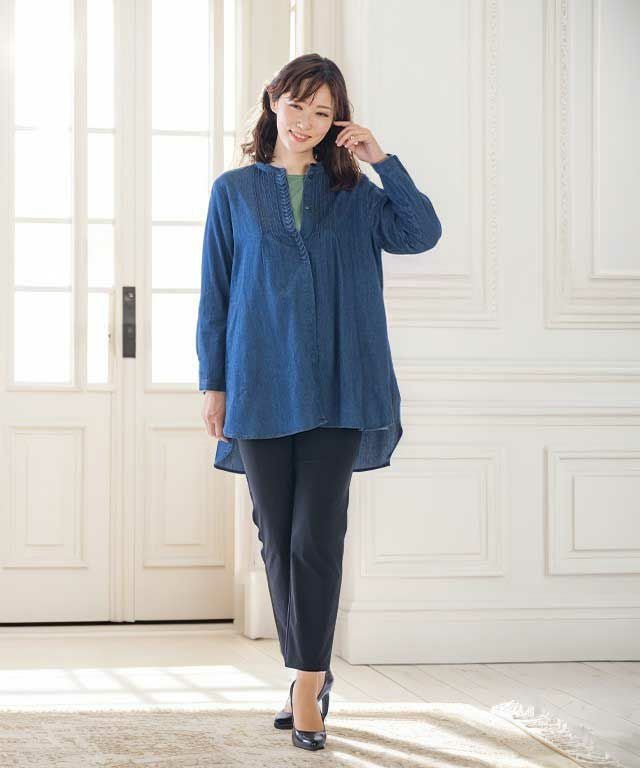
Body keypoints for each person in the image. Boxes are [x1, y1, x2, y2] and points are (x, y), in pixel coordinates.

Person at [196, 53, 442, 751]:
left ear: (339, 123)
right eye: (298, 105)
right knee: (276, 536)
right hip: (259, 382)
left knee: (316, 533)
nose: (306, 121)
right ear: (273, 101)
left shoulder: (356, 194)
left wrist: (382, 161)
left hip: (341, 385)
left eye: (323, 112)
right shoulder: (234, 192)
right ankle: (313, 670)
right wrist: (214, 383)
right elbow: (216, 293)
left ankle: (306, 683)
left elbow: (421, 233)